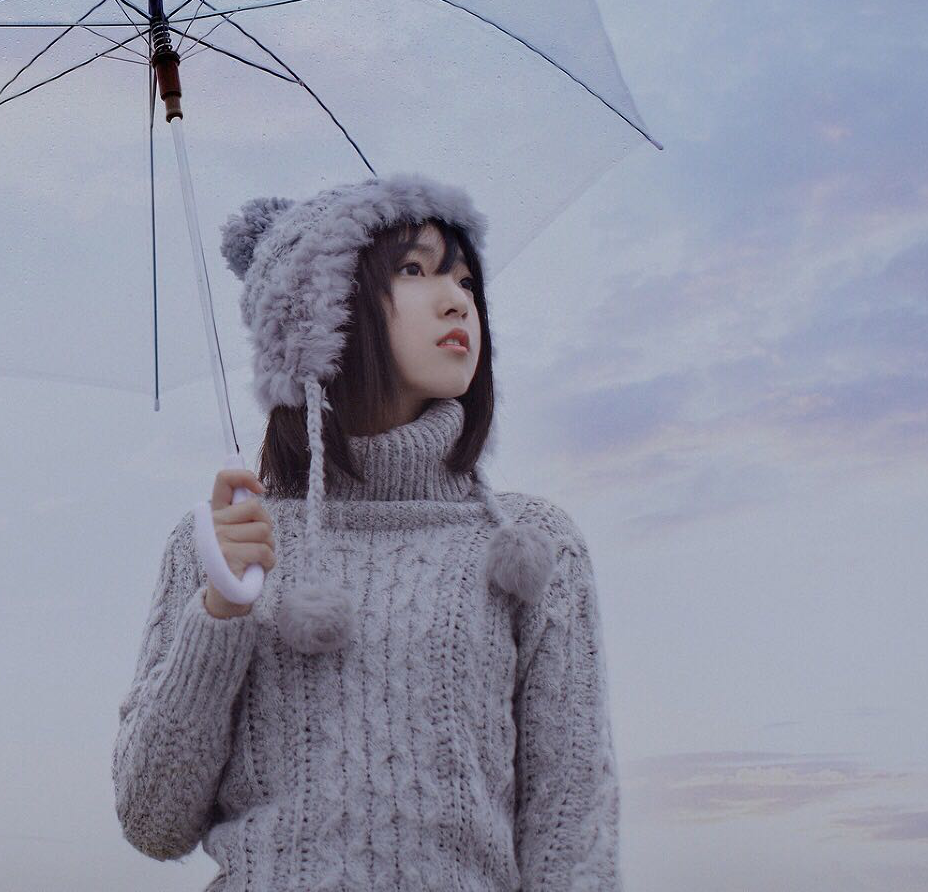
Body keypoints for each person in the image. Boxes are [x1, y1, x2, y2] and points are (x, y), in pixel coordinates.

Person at [111, 174, 621, 891]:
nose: (457, 300)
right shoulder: (228, 545)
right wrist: (219, 610)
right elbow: (152, 819)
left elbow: (572, 825)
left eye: (467, 280)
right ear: (318, 311)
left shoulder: (533, 546)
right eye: (414, 269)